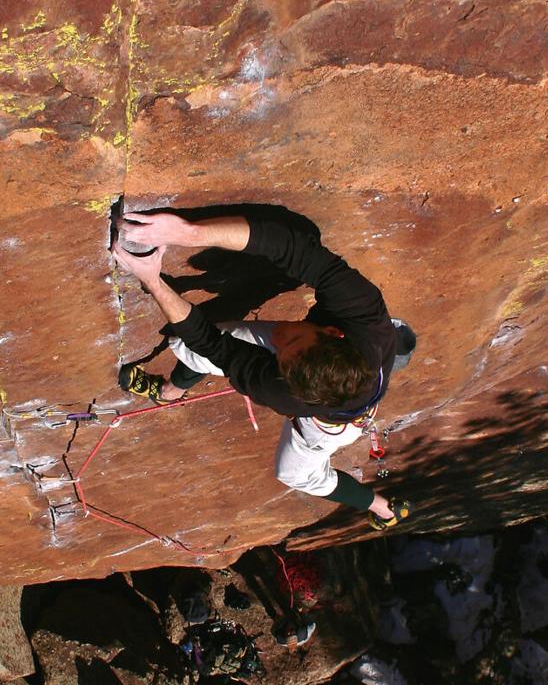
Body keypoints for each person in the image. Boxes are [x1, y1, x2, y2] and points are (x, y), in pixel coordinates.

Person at [111, 207, 415, 531]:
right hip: (350, 369)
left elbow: (214, 346)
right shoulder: (365, 313)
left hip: (331, 424)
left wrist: (154, 281)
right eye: (293, 339)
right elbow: (296, 248)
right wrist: (188, 232)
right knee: (203, 344)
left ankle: (382, 508)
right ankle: (173, 390)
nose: (278, 338)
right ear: (332, 332)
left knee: (295, 475)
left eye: (281, 354)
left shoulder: (286, 394)